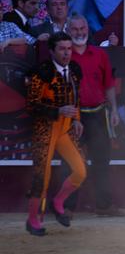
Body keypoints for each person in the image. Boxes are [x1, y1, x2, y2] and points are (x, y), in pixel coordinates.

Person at [60, 14, 123, 217]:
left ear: (88, 29)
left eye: (82, 28)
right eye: (75, 29)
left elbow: (109, 85)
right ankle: (65, 207)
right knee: (70, 162)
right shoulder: (62, 55)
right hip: (71, 116)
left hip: (97, 114)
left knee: (101, 161)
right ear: (68, 31)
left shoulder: (99, 54)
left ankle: (104, 206)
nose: (79, 32)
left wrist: (113, 109)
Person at [24, 32, 86, 236]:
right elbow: (31, 104)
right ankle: (33, 219)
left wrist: (76, 118)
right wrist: (57, 111)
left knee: (80, 170)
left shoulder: (75, 70)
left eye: (69, 48)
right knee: (42, 176)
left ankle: (58, 201)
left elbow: (75, 97)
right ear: (52, 51)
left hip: (65, 129)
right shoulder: (41, 72)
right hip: (46, 129)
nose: (67, 53)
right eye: (62, 49)